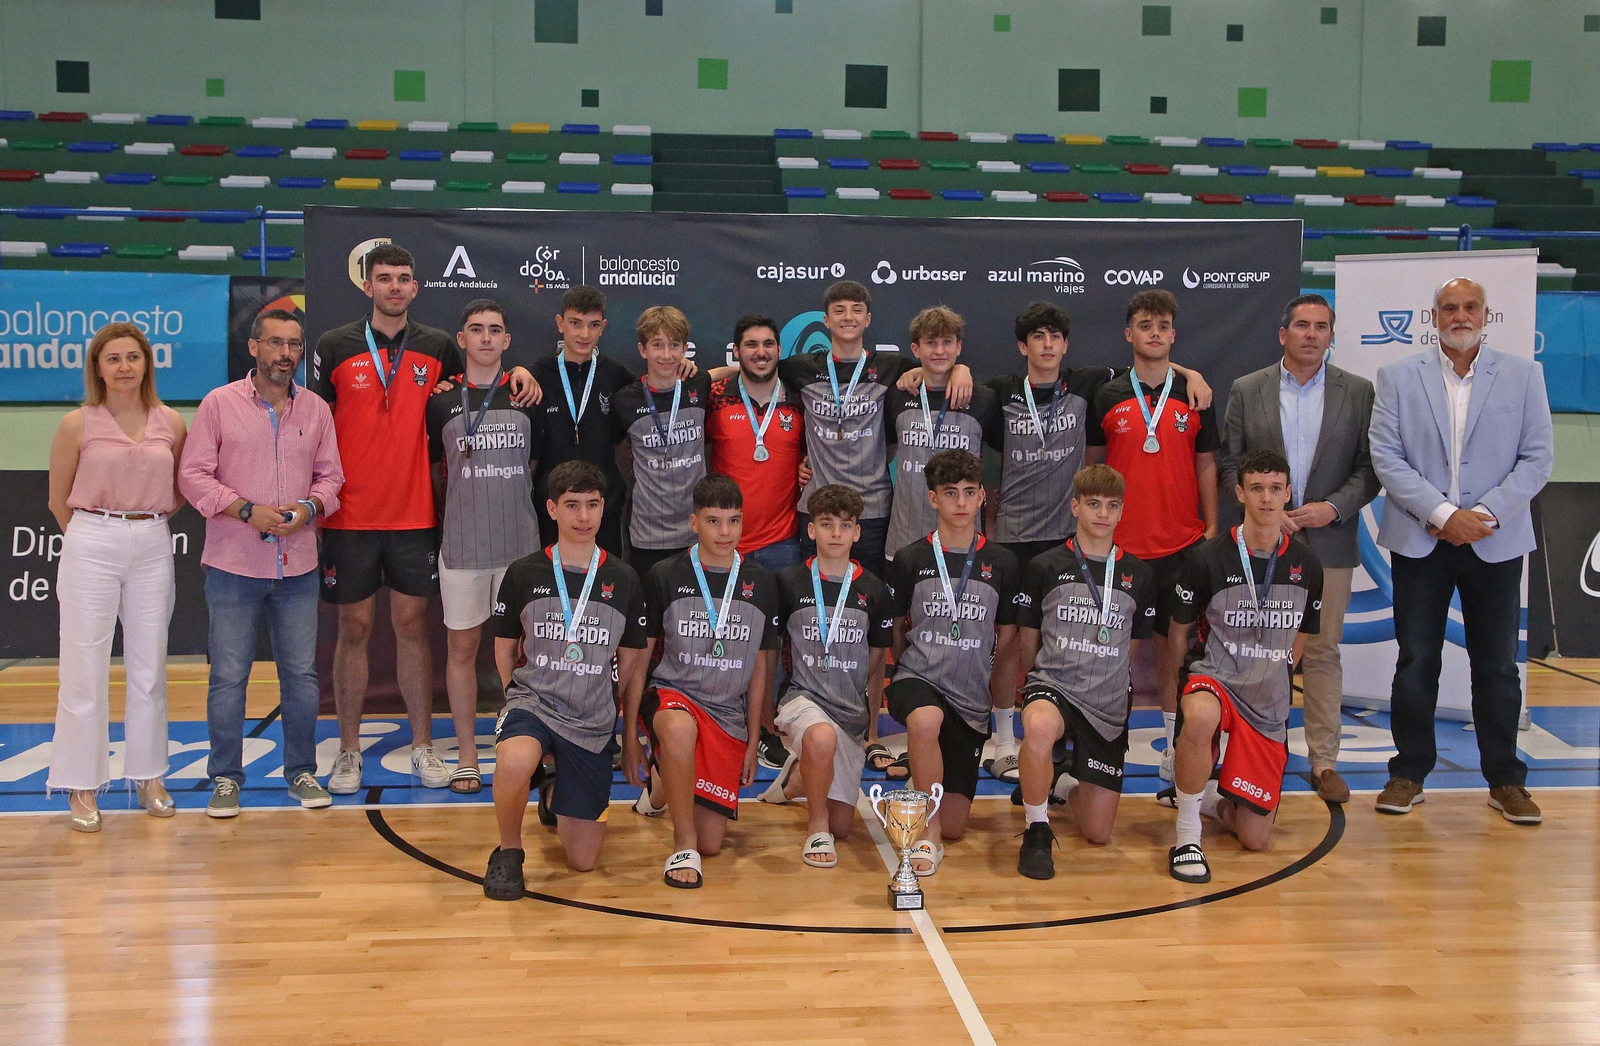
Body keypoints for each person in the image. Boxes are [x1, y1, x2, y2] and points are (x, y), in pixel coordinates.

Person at [311, 242, 537, 796]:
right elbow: (314, 422)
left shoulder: (439, 346)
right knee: (354, 629)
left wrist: (525, 369)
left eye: (403, 278)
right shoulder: (334, 345)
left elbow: (486, 382)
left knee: (412, 628)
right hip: (349, 516)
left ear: (415, 287)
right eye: (383, 278)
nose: (393, 286)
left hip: (417, 515)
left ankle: (422, 746)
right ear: (367, 285)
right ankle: (347, 751)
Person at [1368, 276, 1554, 824]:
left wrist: (1482, 518)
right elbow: (1387, 456)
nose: (1460, 315)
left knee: (1497, 666)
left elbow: (1537, 458)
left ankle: (1504, 780)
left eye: (1470, 306)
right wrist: (1446, 516)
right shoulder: (1398, 377)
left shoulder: (1524, 376)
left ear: (1485, 314)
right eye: (1449, 307)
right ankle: (1408, 773)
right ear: (1434, 317)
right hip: (1421, 540)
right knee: (1416, 661)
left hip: (1495, 542)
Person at [179, 309, 344, 817]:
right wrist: (247, 510)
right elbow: (193, 476)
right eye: (275, 343)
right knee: (229, 676)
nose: (286, 354)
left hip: (298, 567)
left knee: (300, 675)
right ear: (253, 347)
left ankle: (301, 773)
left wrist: (309, 508)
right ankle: (226, 778)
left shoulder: (315, 409)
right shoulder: (219, 404)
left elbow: (331, 478)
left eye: (294, 344)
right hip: (234, 564)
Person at [1220, 294, 1379, 804]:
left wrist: (1331, 509)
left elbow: (1369, 469)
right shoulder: (1249, 389)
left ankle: (1324, 761)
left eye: (1323, 326)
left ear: (1332, 336)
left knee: (1323, 651)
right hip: (1261, 543)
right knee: (1249, 650)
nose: (1312, 334)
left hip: (1329, 542)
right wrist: (1269, 512)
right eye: (1303, 325)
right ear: (1282, 333)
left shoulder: (1358, 392)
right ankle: (1244, 753)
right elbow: (1230, 464)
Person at [482, 461, 649, 899]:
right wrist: (513, 697)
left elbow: (631, 664)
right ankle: (508, 851)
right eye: (572, 505)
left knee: (583, 861)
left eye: (592, 505)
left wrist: (625, 729)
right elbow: (503, 647)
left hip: (591, 719)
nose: (583, 517)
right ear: (552, 509)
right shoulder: (524, 572)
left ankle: (554, 789)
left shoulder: (623, 578)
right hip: (534, 701)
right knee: (515, 760)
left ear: (603, 508)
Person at [45, 322, 188, 832]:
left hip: (151, 540)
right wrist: (93, 534)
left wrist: (139, 528)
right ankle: (81, 785)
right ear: (97, 367)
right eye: (113, 358)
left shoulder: (171, 423)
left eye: (133, 356)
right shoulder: (76, 424)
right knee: (84, 667)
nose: (125, 366)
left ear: (148, 363)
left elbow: (177, 490)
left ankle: (149, 776)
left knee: (149, 668)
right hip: (91, 538)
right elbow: (57, 498)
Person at [1167, 450, 1323, 884]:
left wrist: (1280, 667)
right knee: (1198, 716)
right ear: (1240, 493)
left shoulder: (1306, 564)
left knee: (1255, 839)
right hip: (1215, 677)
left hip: (1266, 698)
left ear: (1289, 493)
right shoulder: (1209, 557)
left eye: (1276, 489)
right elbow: (1179, 633)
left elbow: (1306, 630)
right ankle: (1186, 836)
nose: (1267, 499)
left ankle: (1217, 799)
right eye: (1257, 488)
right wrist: (1183, 688)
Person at [757, 281, 973, 581]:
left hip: (873, 510)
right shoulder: (801, 368)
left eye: (857, 310)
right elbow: (755, 370)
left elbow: (937, 365)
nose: (849, 317)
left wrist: (962, 370)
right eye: (839, 310)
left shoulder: (890, 366)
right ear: (826, 320)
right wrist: (705, 375)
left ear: (868, 319)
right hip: (817, 507)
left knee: (868, 597)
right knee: (815, 594)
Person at [624, 474, 781, 887]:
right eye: (713, 521)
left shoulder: (762, 582)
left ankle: (663, 785)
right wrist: (628, 735)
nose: (724, 532)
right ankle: (682, 842)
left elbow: (761, 669)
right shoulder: (663, 575)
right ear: (694, 523)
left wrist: (753, 740)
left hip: (726, 711)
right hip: (673, 695)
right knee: (678, 729)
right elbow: (640, 662)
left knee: (716, 842)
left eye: (733, 521)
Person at [1088, 289, 1219, 787]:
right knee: (1105, 649)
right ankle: (1101, 747)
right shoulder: (1107, 393)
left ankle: (1172, 745)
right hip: (1116, 547)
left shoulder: (1195, 393)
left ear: (1173, 335)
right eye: (1145, 325)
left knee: (1177, 649)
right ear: (1129, 334)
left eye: (1163, 325)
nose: (1155, 333)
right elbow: (1092, 468)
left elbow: (1207, 465)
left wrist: (1209, 526)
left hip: (1181, 543)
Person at [1013, 465, 1157, 879]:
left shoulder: (1139, 575)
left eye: (1112, 506)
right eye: (1093, 504)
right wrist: (1043, 677)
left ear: (1121, 512)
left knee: (1097, 833)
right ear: (1075, 506)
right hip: (1053, 685)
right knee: (1038, 728)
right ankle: (1036, 830)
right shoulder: (1045, 565)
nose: (1102, 514)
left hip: (1106, 702)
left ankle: (1060, 783)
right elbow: (1028, 640)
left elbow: (1130, 645)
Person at [425, 299, 544, 795]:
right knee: (462, 649)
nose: (487, 338)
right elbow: (435, 472)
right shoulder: (440, 401)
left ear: (508, 340)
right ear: (462, 339)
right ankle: (469, 757)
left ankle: (518, 745)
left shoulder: (525, 395)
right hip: (463, 547)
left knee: (524, 652)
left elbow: (536, 465)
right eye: (477, 329)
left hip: (519, 547)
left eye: (496, 329)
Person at [884, 450, 1021, 876]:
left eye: (968, 493)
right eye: (949, 494)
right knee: (924, 721)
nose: (960, 503)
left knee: (959, 823)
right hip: (918, 678)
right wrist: (909, 663)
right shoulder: (910, 559)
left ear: (982, 497)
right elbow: (895, 629)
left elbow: (1008, 631)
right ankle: (929, 836)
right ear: (932, 500)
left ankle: (920, 788)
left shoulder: (1002, 562)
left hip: (969, 697)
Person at [759, 485, 894, 868]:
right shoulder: (787, 582)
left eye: (845, 525)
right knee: (820, 736)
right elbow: (770, 651)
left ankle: (795, 780)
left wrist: (872, 730)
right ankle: (815, 827)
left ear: (857, 533)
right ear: (811, 530)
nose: (836, 533)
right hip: (802, 699)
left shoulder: (874, 590)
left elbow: (876, 660)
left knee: (844, 827)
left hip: (849, 712)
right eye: (826, 524)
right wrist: (768, 710)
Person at [529, 285, 643, 556]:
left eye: (593, 325)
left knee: (605, 587)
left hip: (603, 505)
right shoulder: (539, 373)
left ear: (603, 326)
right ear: (560, 324)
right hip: (553, 505)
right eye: (575, 324)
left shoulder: (616, 374)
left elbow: (657, 393)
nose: (584, 334)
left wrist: (693, 370)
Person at [884, 306, 1002, 561]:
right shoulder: (899, 395)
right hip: (905, 537)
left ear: (959, 347)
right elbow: (885, 453)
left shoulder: (983, 399)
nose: (939, 351)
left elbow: (1001, 463)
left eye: (947, 342)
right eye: (931, 343)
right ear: (916, 349)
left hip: (965, 540)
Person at [612, 305, 713, 578]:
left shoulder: (698, 383)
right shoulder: (625, 400)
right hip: (648, 533)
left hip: (697, 529)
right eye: (657, 345)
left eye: (674, 345)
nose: (666, 355)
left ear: (685, 349)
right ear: (643, 350)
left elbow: (732, 374)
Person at [705, 314, 807, 574]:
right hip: (723, 539)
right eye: (751, 345)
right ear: (736, 351)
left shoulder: (801, 400)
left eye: (768, 344)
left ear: (779, 350)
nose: (761, 353)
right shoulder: (714, 397)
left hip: (782, 543)